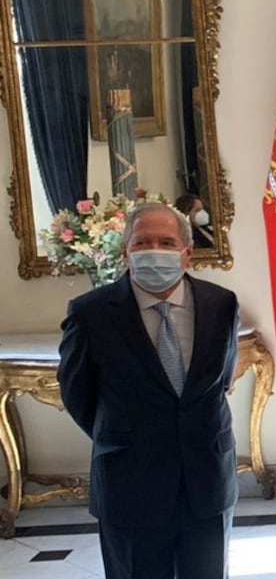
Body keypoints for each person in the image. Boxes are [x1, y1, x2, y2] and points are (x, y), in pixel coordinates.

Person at [58, 202, 240, 579]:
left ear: (187, 253)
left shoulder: (221, 304)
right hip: (129, 486)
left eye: (166, 241)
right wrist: (128, 436)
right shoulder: (90, 313)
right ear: (125, 251)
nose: (154, 250)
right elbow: (79, 397)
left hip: (206, 484)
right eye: (142, 242)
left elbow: (220, 380)